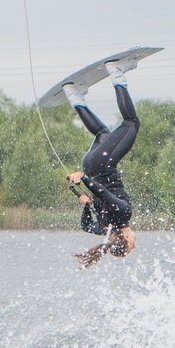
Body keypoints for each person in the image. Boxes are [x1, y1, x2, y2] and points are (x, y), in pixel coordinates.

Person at [64, 59, 139, 268]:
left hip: (101, 165)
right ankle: (74, 94)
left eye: (132, 245)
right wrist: (86, 205)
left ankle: (116, 73)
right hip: (91, 163)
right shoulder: (104, 228)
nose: (136, 242)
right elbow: (86, 226)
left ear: (125, 238)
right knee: (103, 132)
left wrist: (84, 179)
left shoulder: (123, 215)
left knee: (131, 123)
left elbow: (104, 194)